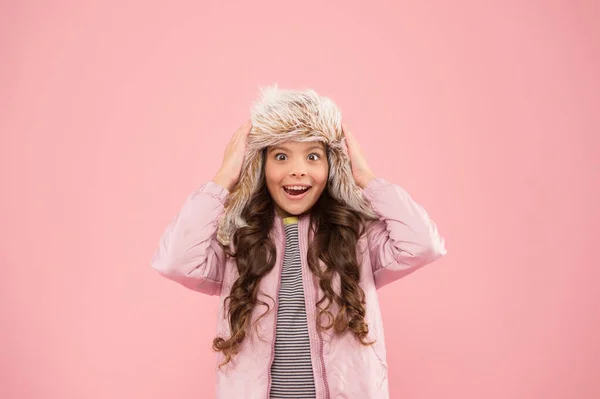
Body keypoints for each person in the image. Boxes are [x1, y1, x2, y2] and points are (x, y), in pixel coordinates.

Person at [151, 85, 447, 399]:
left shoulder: (355, 237)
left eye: (313, 156)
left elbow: (422, 244)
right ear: (260, 167)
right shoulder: (240, 240)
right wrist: (224, 177)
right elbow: (175, 262)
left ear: (331, 167)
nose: (297, 170)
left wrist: (365, 176)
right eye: (281, 156)